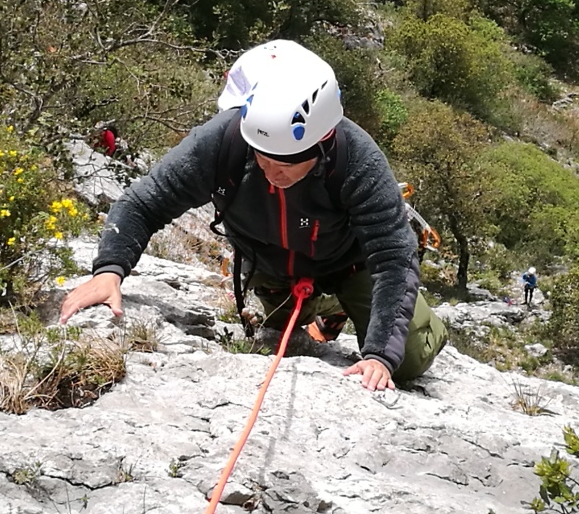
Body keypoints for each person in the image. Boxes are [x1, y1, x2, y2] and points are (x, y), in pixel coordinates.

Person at [60, 41, 449, 391]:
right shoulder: (224, 139)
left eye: (285, 162)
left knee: (408, 359)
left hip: (349, 266)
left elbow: (393, 258)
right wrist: (109, 271)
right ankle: (316, 303)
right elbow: (145, 202)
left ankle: (342, 305)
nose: (269, 170)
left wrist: (380, 355)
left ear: (323, 143)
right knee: (280, 337)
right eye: (260, 155)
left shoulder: (358, 160)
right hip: (271, 266)